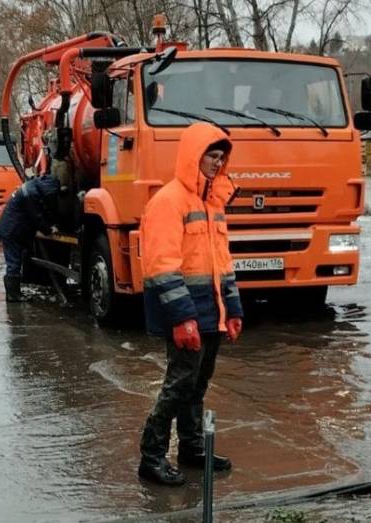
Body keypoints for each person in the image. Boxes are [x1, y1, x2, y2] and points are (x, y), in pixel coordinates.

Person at [137, 122, 244, 486]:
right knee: (179, 383)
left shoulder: (212, 204)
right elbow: (161, 266)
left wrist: (233, 310)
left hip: (210, 314)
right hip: (186, 315)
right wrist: (183, 318)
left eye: (220, 158)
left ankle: (192, 449)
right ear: (192, 157)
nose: (217, 164)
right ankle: (151, 457)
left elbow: (223, 263)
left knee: (198, 384)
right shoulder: (168, 202)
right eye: (211, 156)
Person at [0, 173, 61, 302]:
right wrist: (49, 229)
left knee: (15, 261)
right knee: (14, 262)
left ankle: (14, 293)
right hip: (11, 230)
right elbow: (37, 215)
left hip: (11, 228)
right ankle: (13, 295)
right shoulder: (31, 194)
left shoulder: (32, 187)